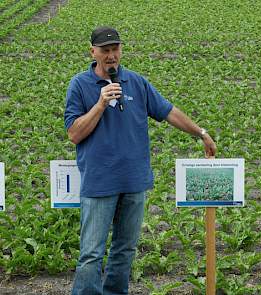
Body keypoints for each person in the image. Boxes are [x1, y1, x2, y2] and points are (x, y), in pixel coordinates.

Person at [64, 26, 216, 295]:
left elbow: (168, 112)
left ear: (121, 50)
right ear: (93, 52)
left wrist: (201, 133)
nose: (111, 55)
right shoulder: (80, 85)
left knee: (125, 249)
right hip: (99, 183)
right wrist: (100, 104)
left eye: (115, 49)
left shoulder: (136, 82)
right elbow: (74, 134)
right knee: (91, 254)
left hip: (134, 181)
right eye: (105, 50)